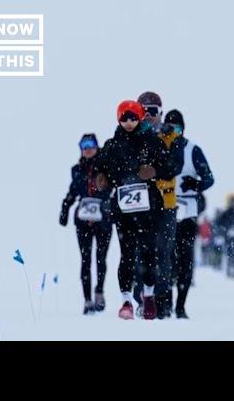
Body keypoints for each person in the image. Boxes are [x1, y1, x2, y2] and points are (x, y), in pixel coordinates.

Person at [95, 100, 180, 320]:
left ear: (140, 117)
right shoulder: (112, 145)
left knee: (149, 253)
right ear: (118, 119)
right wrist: (103, 180)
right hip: (124, 210)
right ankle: (126, 302)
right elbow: (99, 170)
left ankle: (149, 296)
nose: (129, 122)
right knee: (127, 255)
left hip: (150, 208)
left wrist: (153, 170)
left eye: (133, 117)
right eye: (125, 118)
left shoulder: (151, 141)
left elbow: (170, 167)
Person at [132, 91, 183, 319]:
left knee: (163, 253)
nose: (149, 116)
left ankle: (161, 303)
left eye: (153, 111)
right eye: (144, 111)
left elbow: (175, 165)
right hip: (139, 203)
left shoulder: (171, 135)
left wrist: (153, 171)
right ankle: (140, 298)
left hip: (165, 203)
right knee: (137, 253)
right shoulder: (131, 135)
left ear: (161, 112)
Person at [164, 109, 214, 319]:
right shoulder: (159, 148)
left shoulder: (192, 150)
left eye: (177, 128)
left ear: (183, 129)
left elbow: (209, 178)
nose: (174, 132)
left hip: (187, 212)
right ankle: (164, 303)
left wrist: (196, 184)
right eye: (170, 128)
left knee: (185, 259)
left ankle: (180, 305)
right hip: (164, 212)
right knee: (165, 259)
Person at [59, 133, 113, 315]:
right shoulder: (77, 170)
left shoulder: (106, 167)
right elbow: (72, 191)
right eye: (84, 145)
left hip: (103, 219)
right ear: (80, 149)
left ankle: (99, 292)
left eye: (91, 145)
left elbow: (111, 188)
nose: (88, 149)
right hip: (83, 221)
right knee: (85, 260)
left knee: (101, 258)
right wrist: (65, 209)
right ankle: (87, 299)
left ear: (97, 147)